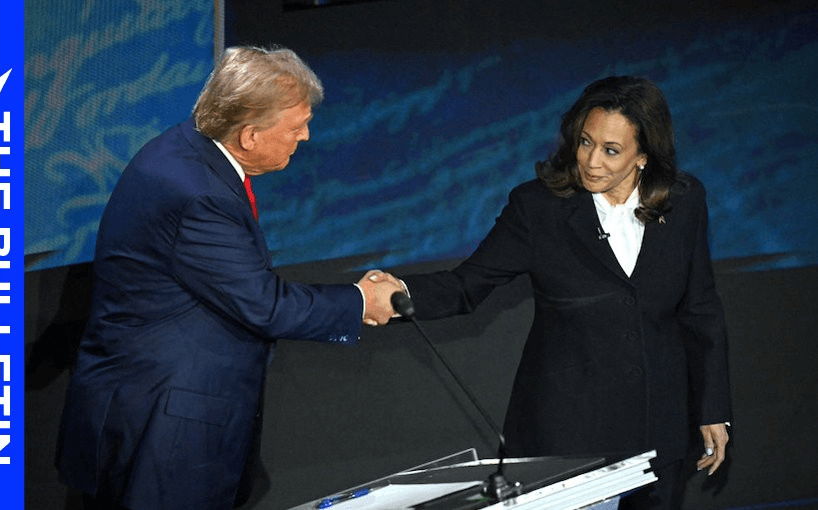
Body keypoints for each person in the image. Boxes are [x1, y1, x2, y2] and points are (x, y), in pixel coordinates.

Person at [55, 46, 402, 510]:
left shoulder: (186, 148)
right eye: (296, 126)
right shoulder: (200, 195)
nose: (306, 136)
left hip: (148, 404)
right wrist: (361, 301)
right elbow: (264, 304)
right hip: (165, 425)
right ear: (251, 135)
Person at [378, 76, 731, 509]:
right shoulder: (538, 208)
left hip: (658, 430)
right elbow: (466, 285)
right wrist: (395, 294)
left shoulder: (684, 200)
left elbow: (700, 308)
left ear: (644, 156)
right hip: (568, 439)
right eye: (585, 142)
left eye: (611, 150)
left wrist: (713, 407)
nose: (592, 161)